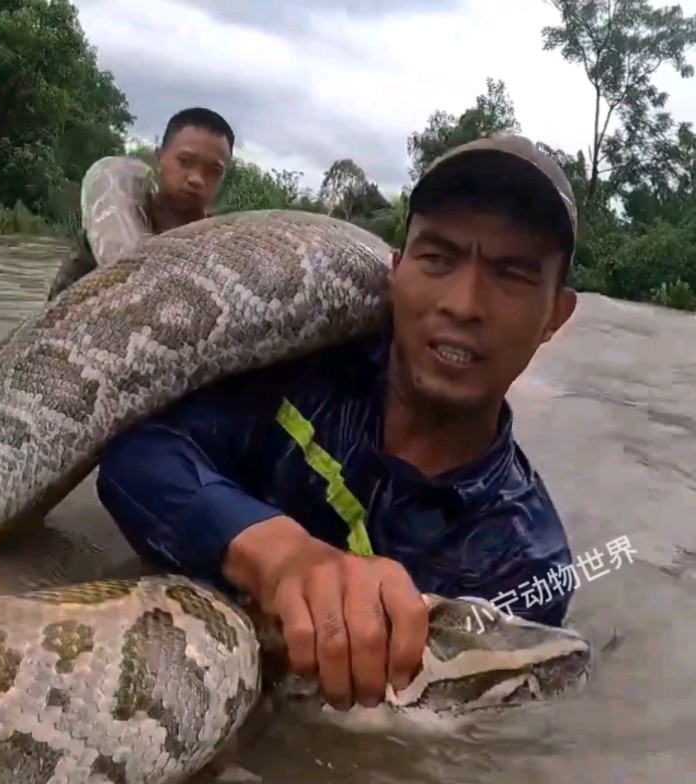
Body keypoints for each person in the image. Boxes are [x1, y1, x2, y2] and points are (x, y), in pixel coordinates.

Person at [94, 134, 581, 712]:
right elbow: (135, 455)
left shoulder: (524, 561)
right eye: (437, 259)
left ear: (556, 314)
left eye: (512, 275)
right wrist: (276, 552)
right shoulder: (302, 372)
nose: (463, 303)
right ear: (396, 272)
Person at [46, 107, 235, 299]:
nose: (197, 179)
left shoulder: (223, 246)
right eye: (184, 161)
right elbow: (54, 310)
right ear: (159, 157)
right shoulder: (101, 232)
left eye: (214, 171)